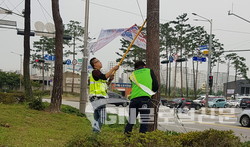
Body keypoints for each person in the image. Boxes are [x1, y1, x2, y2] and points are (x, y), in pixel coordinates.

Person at [124, 61, 159, 134]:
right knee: (144, 122)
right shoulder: (149, 71)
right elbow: (156, 86)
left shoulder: (132, 75)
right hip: (145, 100)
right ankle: (141, 141)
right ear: (144, 66)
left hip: (133, 101)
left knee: (131, 121)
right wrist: (151, 92)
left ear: (135, 68)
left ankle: (126, 139)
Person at [89, 57, 119, 133]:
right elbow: (104, 76)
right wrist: (113, 69)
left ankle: (94, 135)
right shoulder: (95, 72)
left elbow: (105, 85)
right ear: (94, 64)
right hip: (97, 97)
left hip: (97, 97)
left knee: (97, 117)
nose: (100, 62)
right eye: (98, 61)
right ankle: (96, 132)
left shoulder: (99, 74)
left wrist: (110, 80)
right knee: (102, 117)